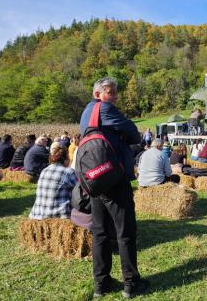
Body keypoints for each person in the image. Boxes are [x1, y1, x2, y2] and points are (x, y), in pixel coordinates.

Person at [79, 77, 148, 298]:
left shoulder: (86, 112)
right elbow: (133, 131)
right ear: (98, 94)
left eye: (116, 92)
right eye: (111, 92)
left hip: (94, 180)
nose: (115, 96)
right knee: (125, 231)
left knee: (99, 232)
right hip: (114, 178)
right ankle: (131, 283)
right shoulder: (105, 108)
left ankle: (101, 284)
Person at [29, 147, 77, 219]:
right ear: (65, 159)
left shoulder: (44, 170)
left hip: (38, 213)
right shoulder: (68, 172)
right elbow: (81, 190)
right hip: (58, 214)